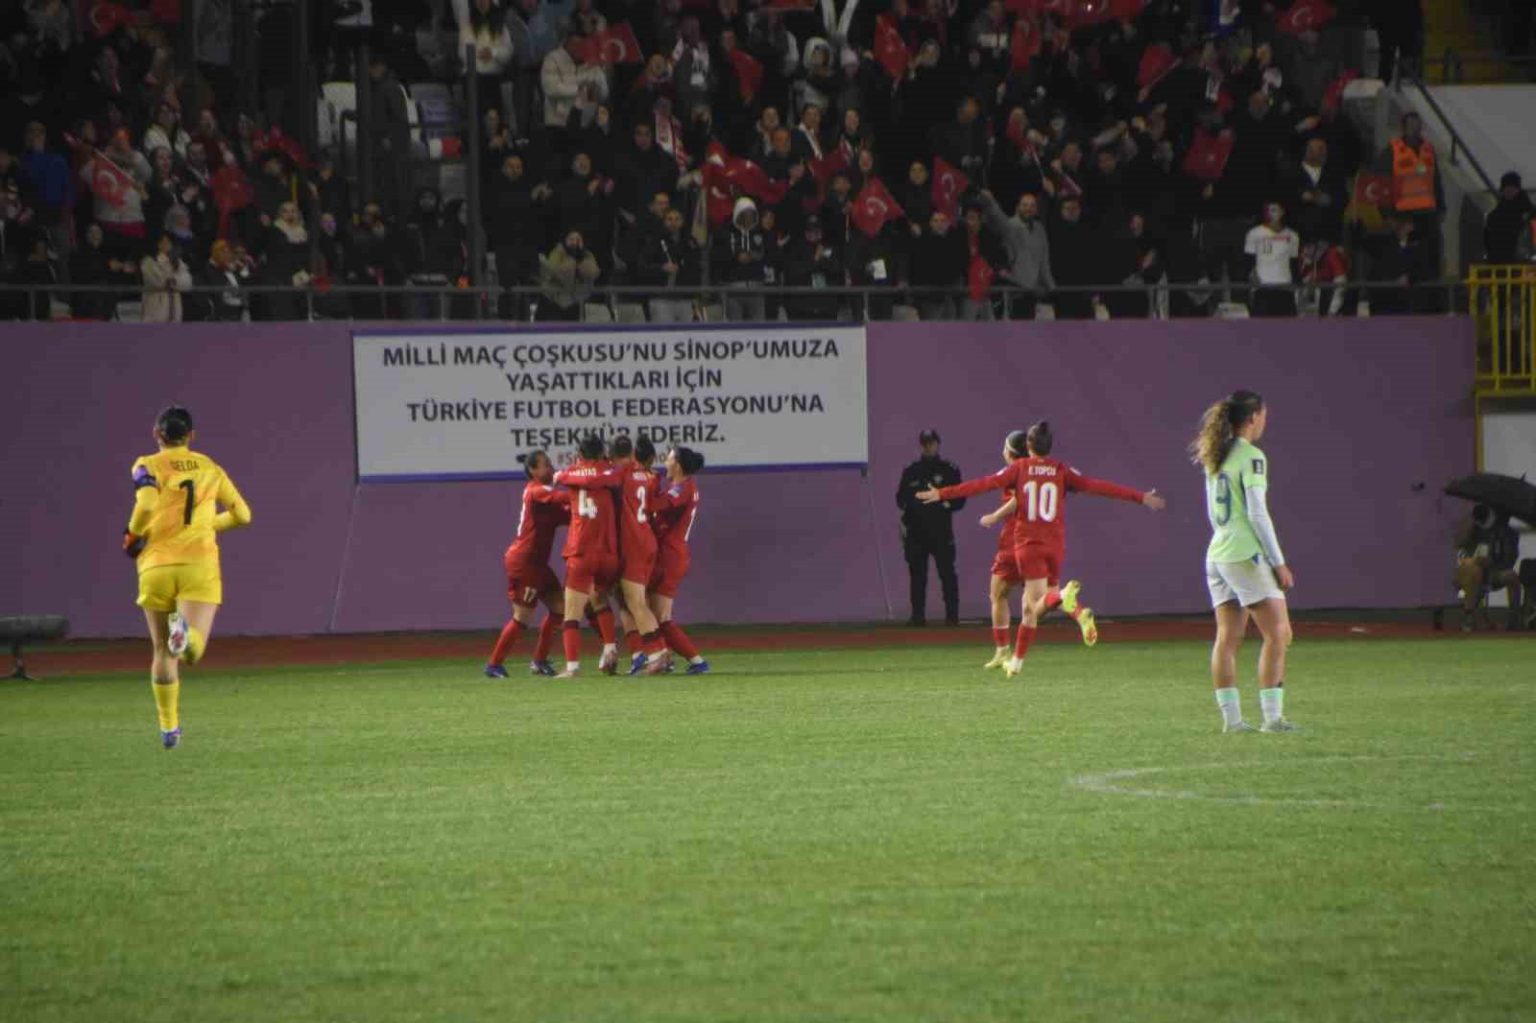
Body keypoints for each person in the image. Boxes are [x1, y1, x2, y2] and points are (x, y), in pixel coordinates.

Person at [918, 421, 1165, 678]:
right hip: (1055, 546)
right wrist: (1140, 497)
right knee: (1035, 606)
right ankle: (1018, 660)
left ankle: (1059, 602)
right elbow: (1097, 486)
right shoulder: (1061, 469)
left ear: (1029, 445)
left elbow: (983, 484)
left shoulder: (1019, 468)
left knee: (1035, 607)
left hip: (1029, 545)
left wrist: (943, 493)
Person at [123, 406, 253, 749]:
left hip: (155, 566)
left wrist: (132, 534)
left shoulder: (146, 464)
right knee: (191, 652)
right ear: (191, 436)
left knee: (161, 651)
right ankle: (185, 635)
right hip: (199, 563)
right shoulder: (210, 467)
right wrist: (209, 524)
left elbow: (146, 504)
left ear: (157, 434)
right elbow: (243, 514)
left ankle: (169, 728)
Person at [1190, 390, 1296, 734]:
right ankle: (1272, 719)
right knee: (1278, 633)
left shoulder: (1216, 455)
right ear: (1253, 418)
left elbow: (1213, 512)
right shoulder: (1252, 456)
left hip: (1217, 552)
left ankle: (1232, 721)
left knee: (1227, 637)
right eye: (1263, 416)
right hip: (1244, 553)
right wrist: (1278, 562)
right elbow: (1257, 513)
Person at [485, 450, 570, 679]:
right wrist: (583, 488)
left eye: (550, 464)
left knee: (559, 608)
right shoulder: (535, 491)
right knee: (522, 617)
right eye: (545, 465)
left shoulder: (547, 499)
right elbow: (562, 498)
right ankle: (494, 664)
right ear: (533, 470)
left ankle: (539, 661)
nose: (550, 468)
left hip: (538, 564)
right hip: (525, 563)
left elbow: (570, 515)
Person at [551, 435, 622, 677]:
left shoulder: (570, 473)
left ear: (580, 454)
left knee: (572, 613)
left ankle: (572, 667)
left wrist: (564, 476)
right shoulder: (611, 472)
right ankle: (610, 649)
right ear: (602, 453)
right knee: (600, 599)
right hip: (608, 553)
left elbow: (562, 477)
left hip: (581, 551)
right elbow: (608, 477)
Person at [646, 446, 710, 674]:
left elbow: (652, 506)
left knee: (660, 616)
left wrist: (650, 483)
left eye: (670, 458)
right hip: (671, 554)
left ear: (678, 465)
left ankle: (697, 662)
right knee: (649, 609)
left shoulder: (682, 489)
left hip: (670, 556)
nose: (665, 461)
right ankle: (665, 658)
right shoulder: (681, 487)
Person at [896, 429, 964, 626]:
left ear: (937, 444)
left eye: (931, 443)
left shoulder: (949, 470)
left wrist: (942, 505)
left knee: (947, 573)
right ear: (921, 445)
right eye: (925, 443)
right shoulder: (911, 471)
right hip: (916, 531)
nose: (928, 447)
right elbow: (900, 499)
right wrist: (914, 507)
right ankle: (917, 617)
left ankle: (952, 616)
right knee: (917, 575)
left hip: (941, 530)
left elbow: (959, 498)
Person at [976, 431, 1025, 669]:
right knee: (1040, 598)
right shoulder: (1040, 471)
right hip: (1039, 538)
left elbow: (1018, 498)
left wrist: (995, 516)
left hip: (1014, 538)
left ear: (1010, 452)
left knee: (997, 594)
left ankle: (1003, 651)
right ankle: (1071, 606)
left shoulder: (1014, 472)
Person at [1453, 504, 1522, 632]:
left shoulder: (1507, 533)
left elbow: (1509, 559)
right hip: (1472, 570)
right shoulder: (1474, 529)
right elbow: (1459, 545)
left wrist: (1491, 563)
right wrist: (1467, 529)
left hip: (1494, 572)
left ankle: (1514, 619)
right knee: (1471, 570)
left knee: (1511, 577)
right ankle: (1470, 616)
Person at [1244, 201, 1299, 317]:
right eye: (1268, 211)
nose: (1270, 214)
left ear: (1282, 212)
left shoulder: (1292, 235)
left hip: (1285, 287)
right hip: (1262, 287)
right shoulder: (1254, 233)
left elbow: (1293, 263)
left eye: (1274, 210)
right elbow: (1249, 262)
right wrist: (1254, 280)